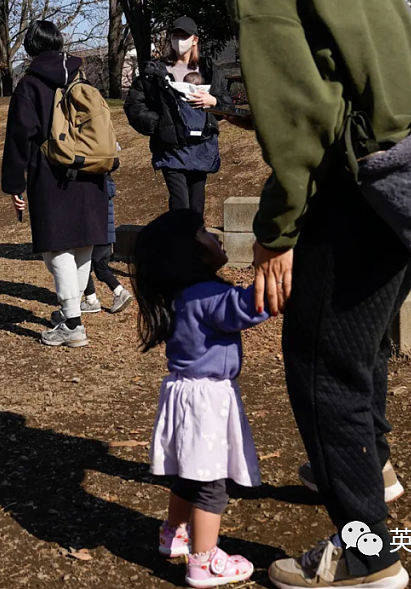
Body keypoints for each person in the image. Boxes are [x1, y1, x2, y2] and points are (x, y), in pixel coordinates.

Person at [169, 0, 411, 589]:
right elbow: (354, 81)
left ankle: (367, 556)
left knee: (316, 362)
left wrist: (276, 235)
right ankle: (376, 466)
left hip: (365, 188)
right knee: (358, 347)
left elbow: (303, 132)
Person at [133, 209, 267, 587]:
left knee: (189, 475)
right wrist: (272, 273)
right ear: (188, 251)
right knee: (212, 483)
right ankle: (204, 561)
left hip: (182, 393)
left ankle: (173, 532)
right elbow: (250, 308)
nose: (216, 236)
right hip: (206, 398)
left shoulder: (180, 296)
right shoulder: (209, 294)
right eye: (205, 232)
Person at [2, 20, 109, 348]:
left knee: (57, 247)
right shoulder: (80, 75)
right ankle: (72, 312)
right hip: (91, 170)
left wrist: (13, 184)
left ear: (30, 48)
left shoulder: (30, 84)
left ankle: (73, 324)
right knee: (83, 245)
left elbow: (20, 137)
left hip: (51, 175)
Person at [124, 18, 231, 217]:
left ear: (195, 40)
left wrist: (213, 101)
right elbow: (134, 104)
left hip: (201, 146)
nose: (179, 40)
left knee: (197, 206)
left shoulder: (208, 69)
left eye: (185, 36)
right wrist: (156, 123)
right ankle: (178, 245)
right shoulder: (154, 71)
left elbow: (227, 103)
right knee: (180, 204)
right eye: (175, 35)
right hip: (170, 148)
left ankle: (194, 245)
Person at [77, 176, 132, 315]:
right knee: (100, 267)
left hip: (93, 235)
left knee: (83, 266)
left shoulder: (88, 187)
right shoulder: (106, 186)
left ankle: (92, 300)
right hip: (106, 235)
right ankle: (117, 292)